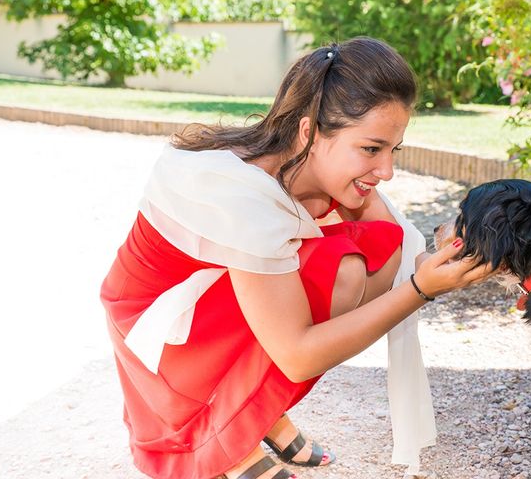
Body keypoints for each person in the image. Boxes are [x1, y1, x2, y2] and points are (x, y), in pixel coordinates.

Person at [100, 36, 491, 479]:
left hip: (216, 301)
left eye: (392, 150)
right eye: (370, 149)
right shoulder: (243, 193)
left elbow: (391, 239)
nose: (387, 172)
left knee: (373, 254)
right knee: (340, 276)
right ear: (309, 132)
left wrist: (422, 266)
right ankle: (229, 432)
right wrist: (420, 290)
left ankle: (260, 413)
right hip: (159, 322)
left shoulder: (308, 164)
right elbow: (298, 355)